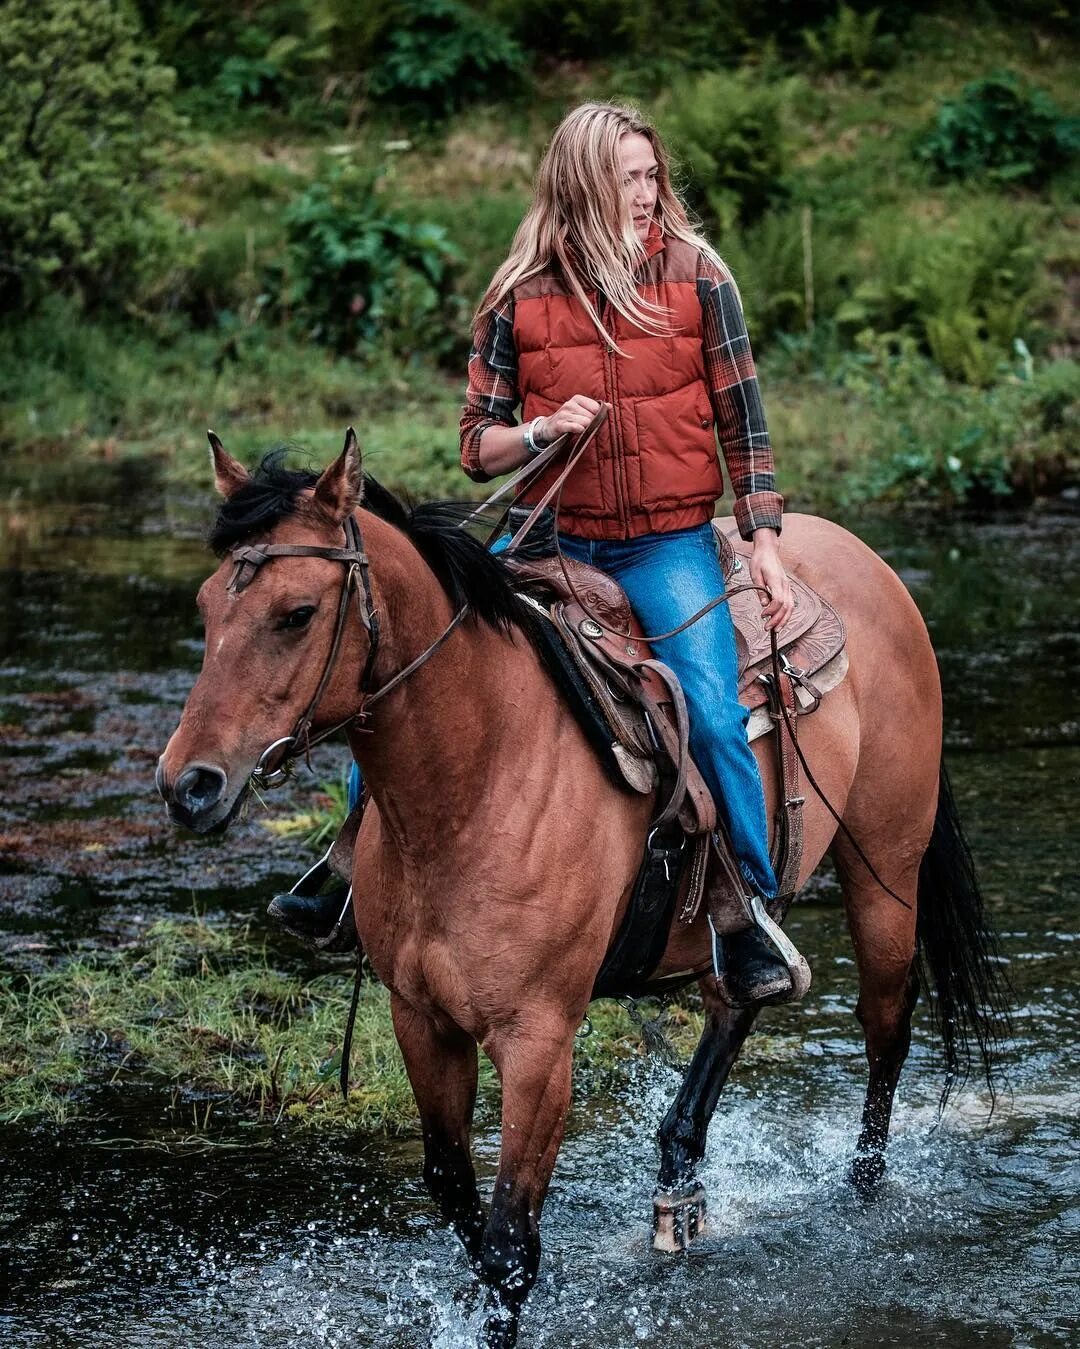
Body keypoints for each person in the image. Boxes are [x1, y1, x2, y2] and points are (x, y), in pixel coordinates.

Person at [270, 101, 799, 1003]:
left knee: (711, 709)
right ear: (581, 184)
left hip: (666, 541)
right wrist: (543, 429)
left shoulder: (701, 278)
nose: (646, 193)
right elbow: (477, 444)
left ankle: (745, 911)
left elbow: (743, 423)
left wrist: (767, 543)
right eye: (626, 177)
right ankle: (347, 864)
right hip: (551, 535)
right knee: (404, 665)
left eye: (651, 174)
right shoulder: (520, 294)